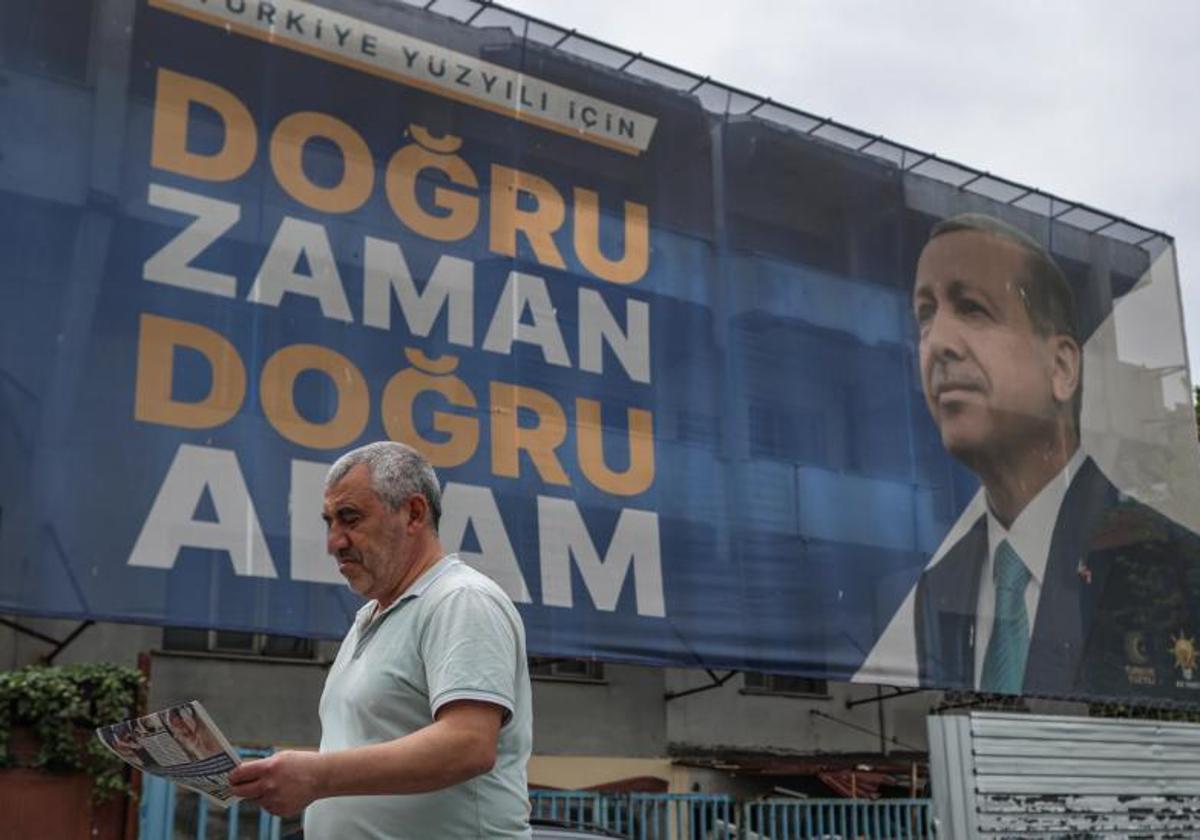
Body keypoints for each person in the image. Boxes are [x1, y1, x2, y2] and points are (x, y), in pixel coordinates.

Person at [856, 213, 1200, 698]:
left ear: (1061, 367)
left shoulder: (1170, 558)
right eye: (925, 315)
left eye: (973, 308)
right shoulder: (939, 590)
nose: (939, 345)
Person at [229, 441, 532, 838]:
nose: (334, 542)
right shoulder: (369, 620)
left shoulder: (460, 599)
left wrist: (316, 776)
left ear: (414, 513)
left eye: (349, 518)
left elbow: (468, 742)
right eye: (329, 522)